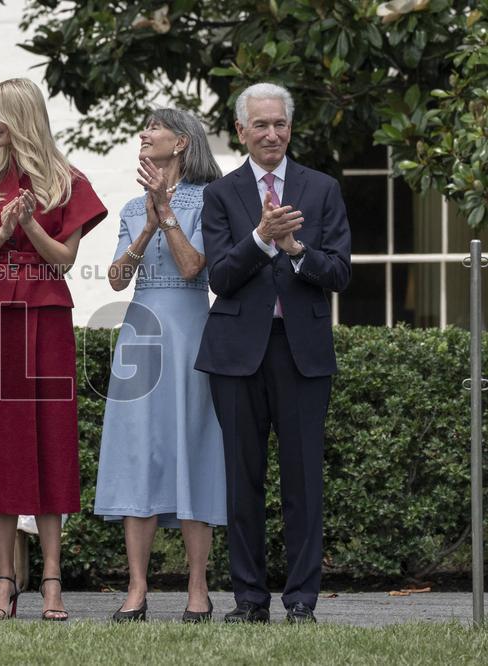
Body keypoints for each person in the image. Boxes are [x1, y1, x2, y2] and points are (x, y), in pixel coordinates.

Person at [0, 78, 107, 621]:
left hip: (46, 315)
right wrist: (3, 230)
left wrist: (30, 224)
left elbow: (62, 260)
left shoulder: (68, 181)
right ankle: (3, 580)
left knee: (50, 439)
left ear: (21, 115)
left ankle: (52, 580)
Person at [195, 82, 351, 624]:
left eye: (279, 124)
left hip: (303, 352)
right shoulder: (221, 195)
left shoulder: (322, 188)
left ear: (290, 127)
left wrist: (297, 250)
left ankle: (302, 601)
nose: (271, 134)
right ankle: (249, 600)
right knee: (243, 480)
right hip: (237, 355)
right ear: (241, 131)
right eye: (260, 125)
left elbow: (339, 273)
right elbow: (220, 277)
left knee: (304, 481)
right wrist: (262, 239)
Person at [94, 108, 226, 623]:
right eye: (142, 129)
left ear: (183, 143)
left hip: (191, 331)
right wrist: (146, 225)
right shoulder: (131, 206)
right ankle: (137, 588)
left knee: (194, 447)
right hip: (140, 335)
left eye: (155, 128)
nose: (144, 135)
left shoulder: (209, 202)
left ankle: (198, 587)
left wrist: (167, 215)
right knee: (138, 453)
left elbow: (196, 267)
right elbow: (114, 279)